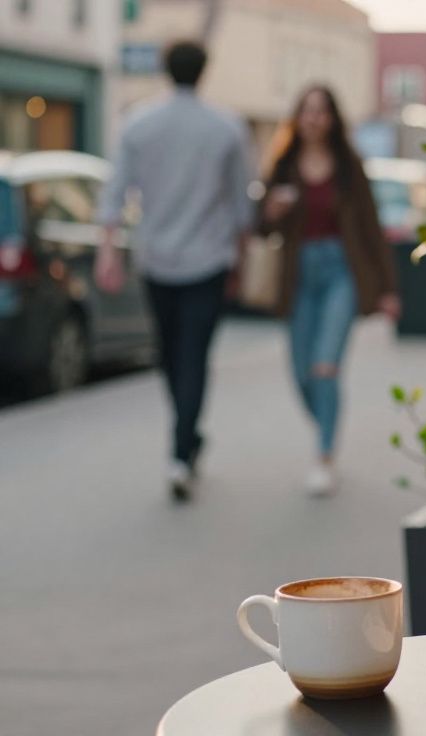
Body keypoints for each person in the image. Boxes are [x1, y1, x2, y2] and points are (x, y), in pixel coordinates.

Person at [95, 40, 253, 501]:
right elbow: (241, 206)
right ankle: (186, 443)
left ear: (165, 69)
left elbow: (114, 193)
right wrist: (241, 261)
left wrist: (107, 252)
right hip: (208, 259)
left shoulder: (138, 123)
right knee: (192, 356)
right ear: (204, 71)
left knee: (170, 354)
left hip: (157, 259)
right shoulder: (227, 127)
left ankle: (182, 447)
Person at [258, 85, 400, 496]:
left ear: (333, 119)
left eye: (321, 111)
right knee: (302, 373)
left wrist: (388, 288)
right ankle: (326, 421)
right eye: (307, 110)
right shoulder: (283, 164)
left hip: (341, 271)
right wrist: (272, 211)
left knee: (325, 366)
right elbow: (261, 226)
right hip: (298, 274)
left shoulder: (349, 166)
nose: (314, 118)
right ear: (297, 117)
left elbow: (372, 226)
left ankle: (324, 456)